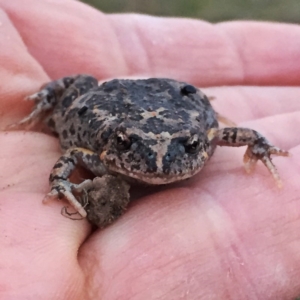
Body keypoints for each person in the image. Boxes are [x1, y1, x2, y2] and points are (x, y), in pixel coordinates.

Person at [0, 0, 300, 299]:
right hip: (106, 100)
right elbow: (73, 153)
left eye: (189, 146)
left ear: (201, 141)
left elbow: (248, 135)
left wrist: (261, 148)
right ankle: (47, 95)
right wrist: (59, 183)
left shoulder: (207, 135)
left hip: (167, 97)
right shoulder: (98, 155)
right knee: (82, 84)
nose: (159, 163)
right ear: (117, 143)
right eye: (127, 145)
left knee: (186, 102)